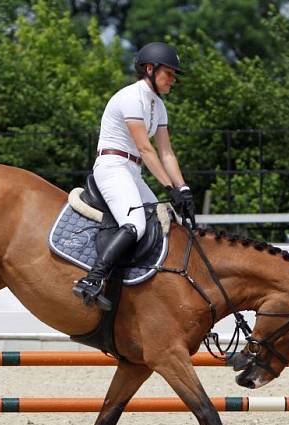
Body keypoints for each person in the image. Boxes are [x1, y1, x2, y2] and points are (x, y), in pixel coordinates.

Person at [72, 42, 195, 309]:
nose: (173, 80)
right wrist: (168, 187)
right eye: (169, 73)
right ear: (149, 69)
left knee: (161, 221)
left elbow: (167, 153)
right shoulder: (130, 97)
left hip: (132, 170)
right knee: (136, 224)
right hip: (112, 166)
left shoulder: (159, 107)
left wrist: (183, 189)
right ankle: (92, 279)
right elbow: (144, 147)